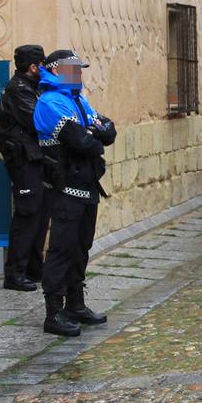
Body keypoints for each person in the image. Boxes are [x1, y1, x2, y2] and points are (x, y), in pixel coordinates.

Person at [34, 50, 116, 337]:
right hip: (64, 187)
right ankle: (54, 312)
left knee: (82, 247)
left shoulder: (78, 99)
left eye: (79, 70)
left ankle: (75, 304)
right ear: (56, 71)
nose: (78, 74)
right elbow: (82, 141)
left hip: (88, 184)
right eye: (73, 70)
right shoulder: (49, 102)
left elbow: (109, 132)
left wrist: (96, 133)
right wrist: (94, 134)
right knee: (61, 248)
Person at [0, 44, 49, 293]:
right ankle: (15, 273)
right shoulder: (19, 90)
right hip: (23, 159)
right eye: (43, 65)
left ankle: (34, 268)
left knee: (39, 215)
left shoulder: (32, 88)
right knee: (27, 214)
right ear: (33, 67)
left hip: (34, 158)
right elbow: (37, 120)